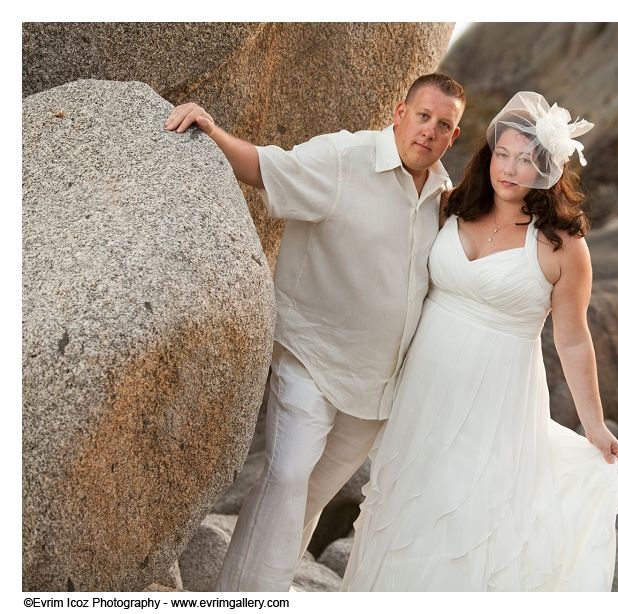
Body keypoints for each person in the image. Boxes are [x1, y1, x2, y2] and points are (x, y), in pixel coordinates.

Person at [164, 74, 466, 591]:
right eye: (423, 116)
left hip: (376, 390)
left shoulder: (444, 197)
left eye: (444, 125)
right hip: (312, 359)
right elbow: (265, 167)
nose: (430, 131)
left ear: (453, 136)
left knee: (304, 500)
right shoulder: (344, 159)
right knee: (286, 477)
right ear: (400, 112)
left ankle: (244, 590)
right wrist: (211, 132)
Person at [342, 92, 618, 591]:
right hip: (424, 387)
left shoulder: (563, 246)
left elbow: (574, 341)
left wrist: (595, 425)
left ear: (549, 169)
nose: (511, 169)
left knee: (470, 514)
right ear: (488, 153)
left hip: (498, 398)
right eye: (503, 154)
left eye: (527, 160)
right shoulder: (452, 205)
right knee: (406, 502)